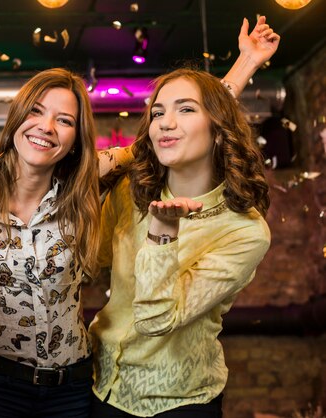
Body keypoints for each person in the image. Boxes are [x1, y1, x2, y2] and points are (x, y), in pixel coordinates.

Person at [0, 17, 278, 418]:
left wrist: (245, 65)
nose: (46, 127)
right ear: (16, 119)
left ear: (74, 139)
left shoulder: (88, 182)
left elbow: (177, 127)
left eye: (64, 120)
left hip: (73, 386)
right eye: (35, 112)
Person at [89, 66, 273, 417]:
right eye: (158, 112)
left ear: (219, 131)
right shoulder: (131, 191)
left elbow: (156, 321)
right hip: (101, 386)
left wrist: (161, 234)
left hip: (178, 402)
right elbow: (90, 261)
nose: (165, 122)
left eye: (185, 109)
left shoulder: (246, 232)